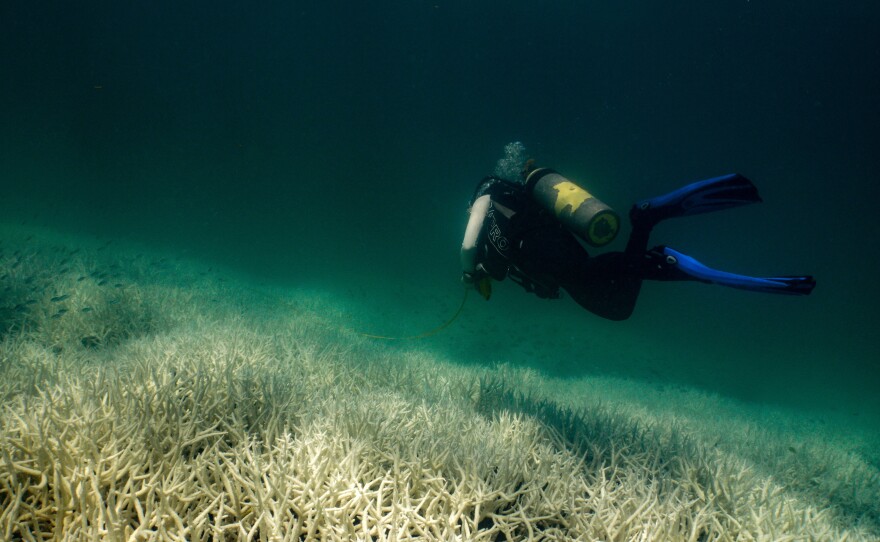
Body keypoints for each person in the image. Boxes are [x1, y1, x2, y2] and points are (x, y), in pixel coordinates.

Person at [460, 155, 815, 321]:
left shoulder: (485, 198)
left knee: (612, 300)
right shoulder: (512, 203)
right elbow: (503, 259)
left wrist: (467, 271)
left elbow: (467, 245)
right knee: (617, 303)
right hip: (564, 257)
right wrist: (483, 271)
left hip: (559, 262)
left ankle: (651, 234)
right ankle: (650, 234)